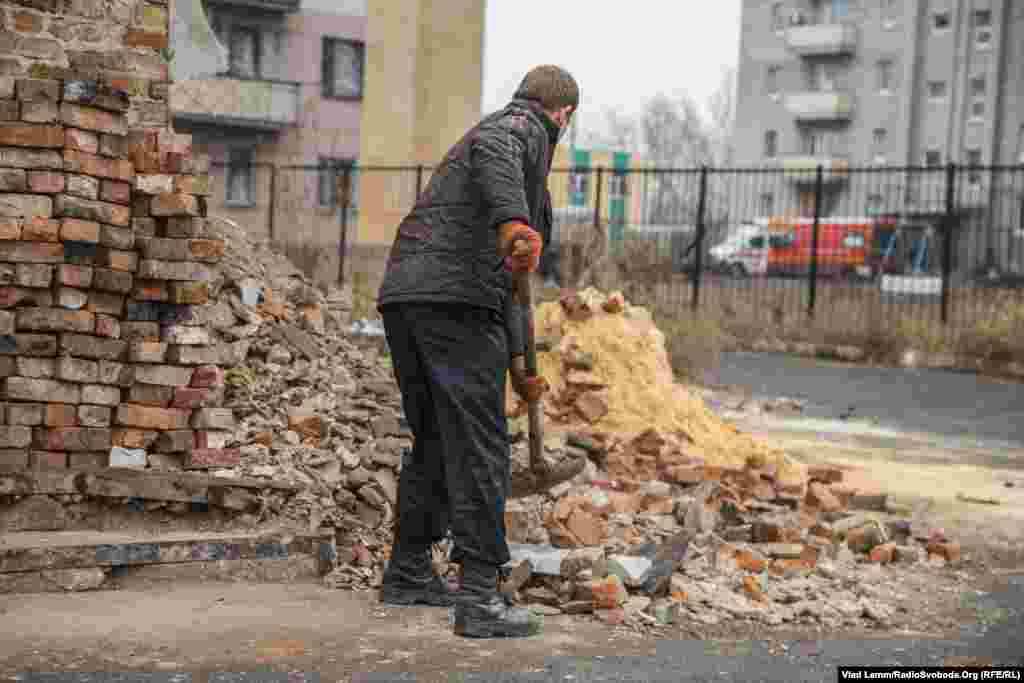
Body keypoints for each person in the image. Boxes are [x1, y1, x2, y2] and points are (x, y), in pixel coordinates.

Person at [375, 65, 578, 638]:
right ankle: (480, 598)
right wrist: (515, 221)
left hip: (407, 297)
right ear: (562, 114)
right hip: (455, 302)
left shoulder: (515, 170)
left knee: (437, 441)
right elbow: (496, 149)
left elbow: (513, 289)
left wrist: (520, 368)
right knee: (481, 446)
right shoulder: (521, 129)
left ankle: (410, 571)